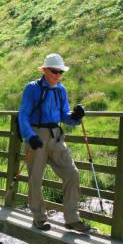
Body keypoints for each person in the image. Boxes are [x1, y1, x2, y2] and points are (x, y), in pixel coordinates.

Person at [18, 53, 89, 232]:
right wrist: (29, 136)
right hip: (36, 134)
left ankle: (72, 219)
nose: (58, 75)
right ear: (45, 70)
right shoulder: (32, 88)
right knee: (35, 178)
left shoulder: (61, 90)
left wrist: (76, 117)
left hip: (56, 136)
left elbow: (64, 115)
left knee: (72, 174)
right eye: (54, 71)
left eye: (60, 72)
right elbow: (23, 114)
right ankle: (39, 218)